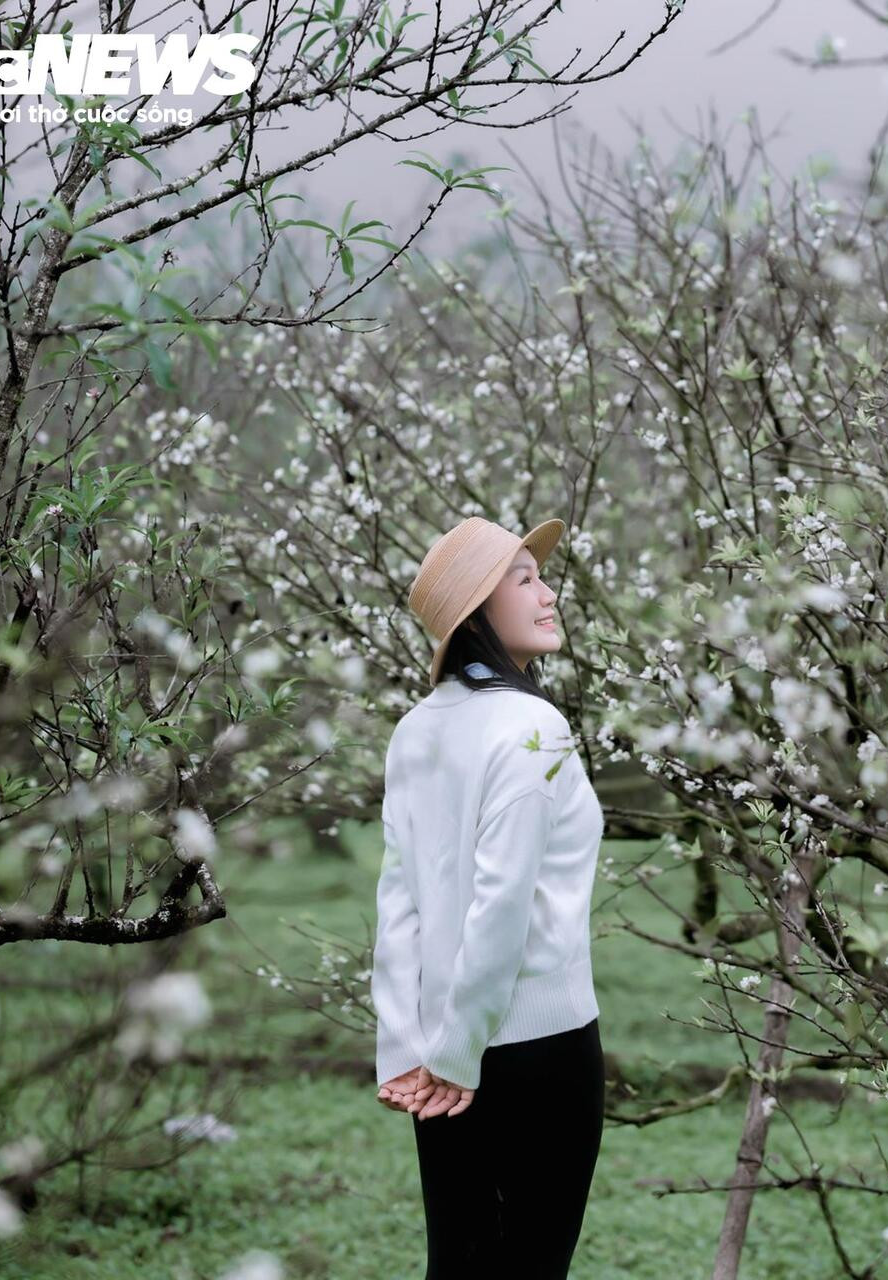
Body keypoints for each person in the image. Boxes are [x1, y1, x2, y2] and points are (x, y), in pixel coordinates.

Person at [371, 515, 607, 1278]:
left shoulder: (415, 728)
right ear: (476, 609)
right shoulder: (534, 725)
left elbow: (398, 901)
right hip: (536, 1051)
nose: (548, 592)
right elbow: (502, 904)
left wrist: (409, 1049)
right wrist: (458, 1056)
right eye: (525, 579)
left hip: (442, 1051)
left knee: (461, 1265)